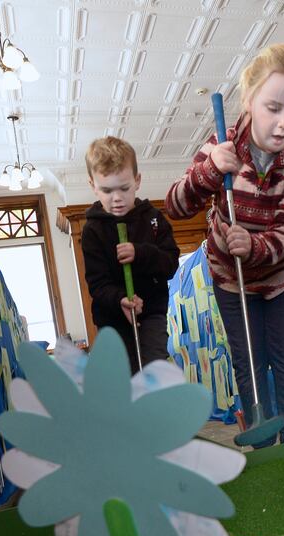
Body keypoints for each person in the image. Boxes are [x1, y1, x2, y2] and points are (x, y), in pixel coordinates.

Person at [165, 44, 284, 445]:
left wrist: (253, 246)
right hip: (230, 278)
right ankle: (263, 442)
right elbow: (176, 205)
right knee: (249, 360)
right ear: (249, 101)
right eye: (273, 108)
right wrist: (211, 169)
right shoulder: (219, 146)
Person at [82, 137, 180, 372]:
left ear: (137, 181)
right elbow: (97, 284)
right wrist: (120, 299)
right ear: (93, 186)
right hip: (112, 320)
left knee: (154, 371)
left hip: (151, 315)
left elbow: (170, 263)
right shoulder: (92, 230)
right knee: (122, 378)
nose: (116, 198)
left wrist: (141, 252)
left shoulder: (154, 219)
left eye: (124, 188)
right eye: (106, 190)